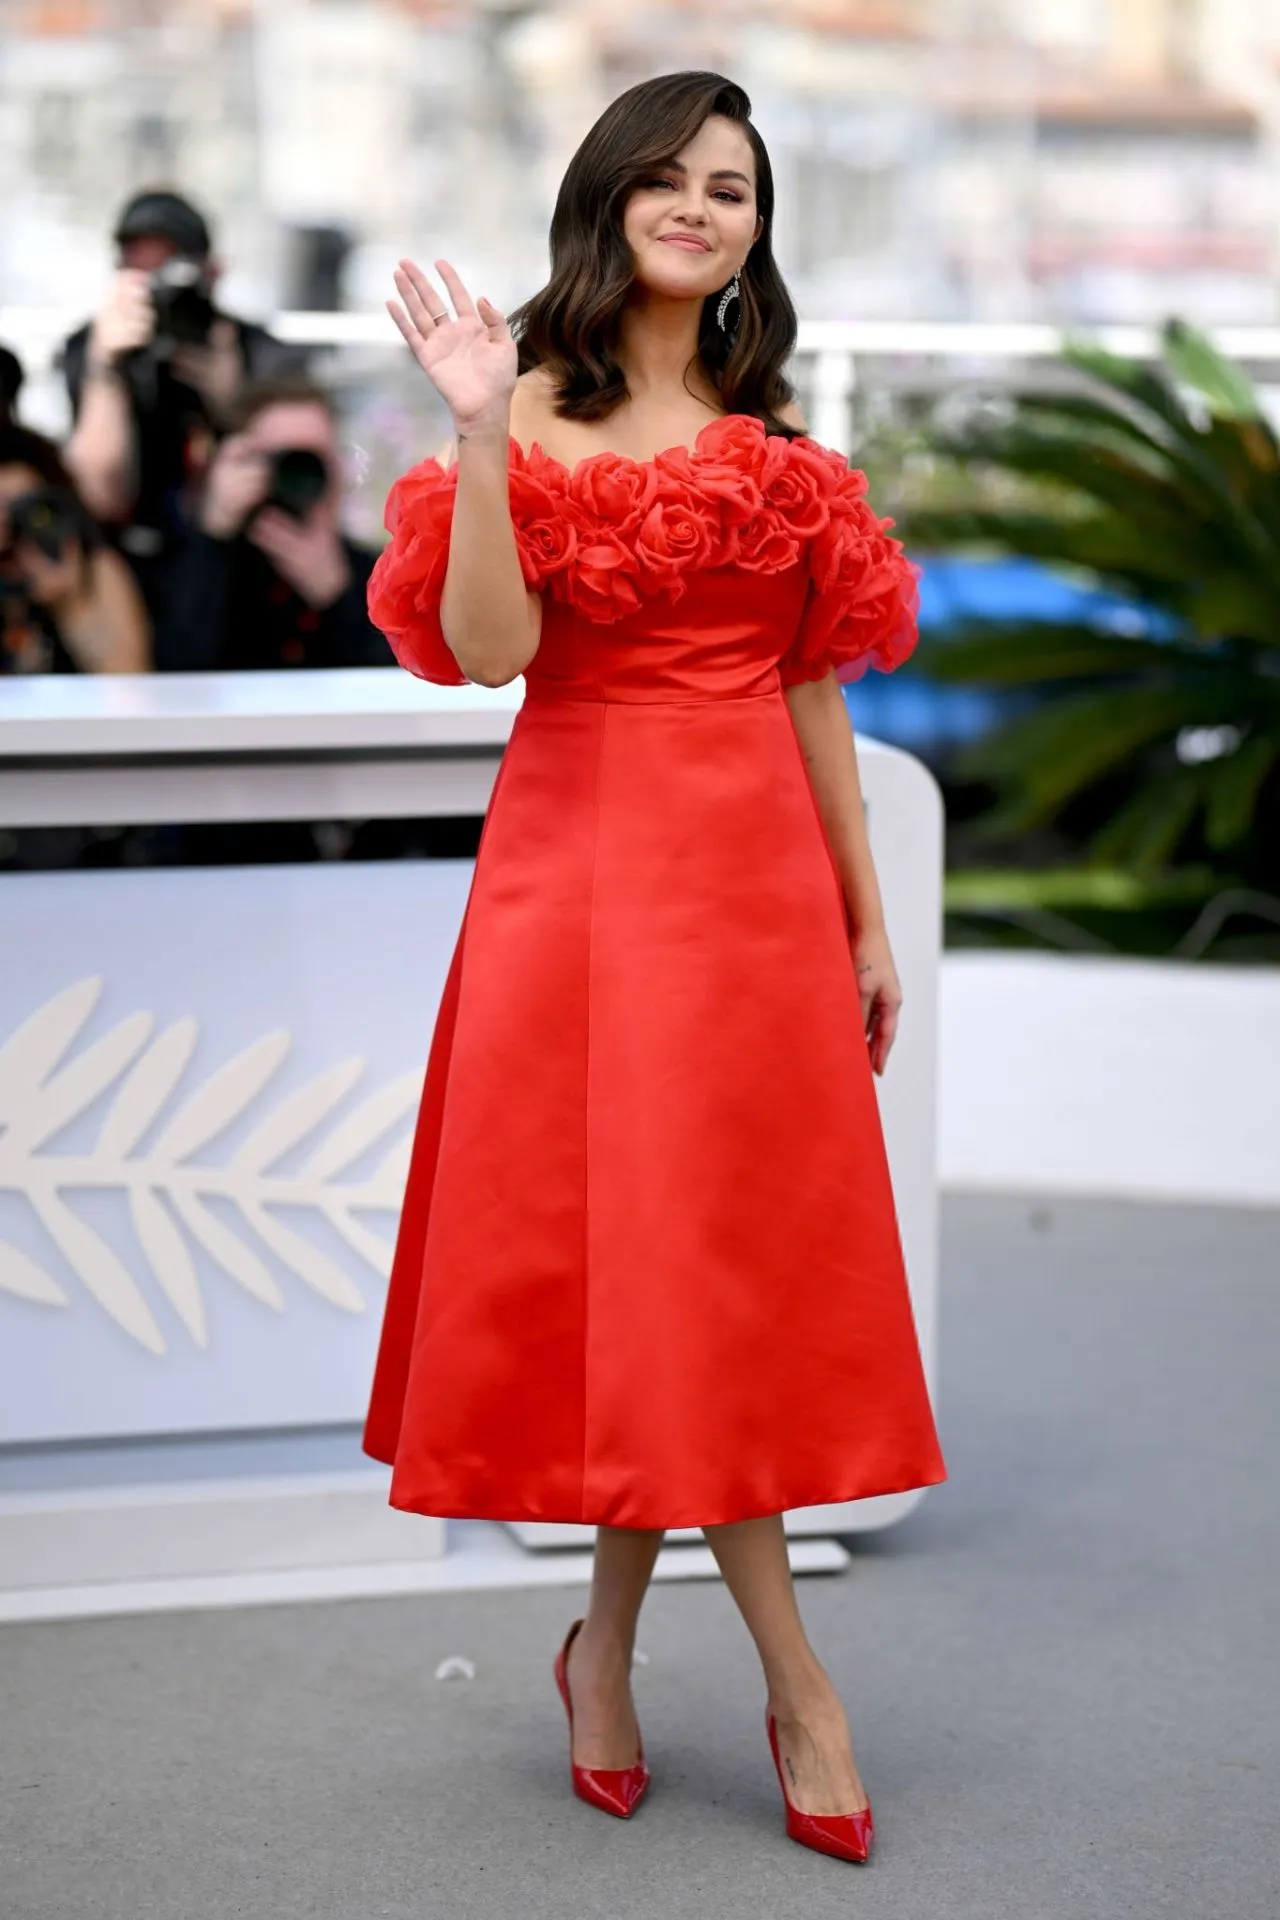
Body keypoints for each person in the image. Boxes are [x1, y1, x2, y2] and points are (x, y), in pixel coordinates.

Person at [362, 71, 946, 1865]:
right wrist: (476, 431)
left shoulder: (781, 460)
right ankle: (801, 1684)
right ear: (611, 195)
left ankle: (603, 1648)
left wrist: (859, 911)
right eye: (677, 179)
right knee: (656, 1280)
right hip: (581, 893)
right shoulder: (520, 412)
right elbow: (481, 651)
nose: (705, 209)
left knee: (708, 1285)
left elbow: (810, 694)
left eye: (738, 191)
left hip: (755, 902)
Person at [61, 189, 303, 617]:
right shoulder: (95, 349)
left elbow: (297, 483)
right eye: (141, 272)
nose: (159, 289)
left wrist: (234, 399)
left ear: (212, 273)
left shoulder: (259, 352)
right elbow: (97, 497)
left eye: (173, 271)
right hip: (130, 566)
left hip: (241, 571)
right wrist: (106, 374)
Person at [155, 378, 391, 672]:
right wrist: (214, 532)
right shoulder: (190, 566)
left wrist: (337, 595)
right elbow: (175, 665)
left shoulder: (381, 575)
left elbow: (394, 684)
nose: (298, 473)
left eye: (314, 459)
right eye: (282, 458)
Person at [0, 423, 149, 674]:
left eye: (30, 508)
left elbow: (130, 687)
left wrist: (72, 606)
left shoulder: (94, 567)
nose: (15, 523)